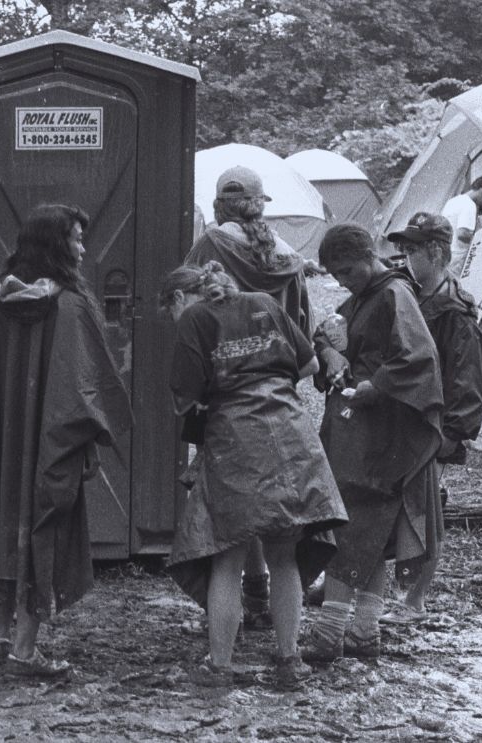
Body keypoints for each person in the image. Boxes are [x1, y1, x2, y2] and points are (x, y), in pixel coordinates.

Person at [0, 203, 132, 678]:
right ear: (56, 246)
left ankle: (0, 635)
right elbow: (87, 387)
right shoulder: (70, 306)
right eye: (76, 239)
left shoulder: (1, 302)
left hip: (5, 441)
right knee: (44, 527)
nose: (83, 249)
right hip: (49, 442)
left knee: (6, 518)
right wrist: (87, 436)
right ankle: (25, 650)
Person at [161, 262, 346, 689]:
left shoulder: (195, 318)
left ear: (179, 298)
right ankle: (288, 662)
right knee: (283, 554)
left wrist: (219, 395)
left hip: (234, 440)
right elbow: (310, 366)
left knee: (228, 557)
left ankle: (220, 667)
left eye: (170, 310)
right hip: (288, 432)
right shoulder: (265, 302)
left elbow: (186, 395)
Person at [302, 224, 443, 663]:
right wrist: (329, 352)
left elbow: (418, 358)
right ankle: (364, 631)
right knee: (374, 530)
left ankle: (328, 634)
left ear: (369, 256)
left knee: (349, 521)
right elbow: (329, 332)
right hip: (359, 426)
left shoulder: (392, 294)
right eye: (335, 275)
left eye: (347, 270)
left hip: (377, 433)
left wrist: (375, 388)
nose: (343, 281)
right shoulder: (366, 294)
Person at [185, 165, 313, 629]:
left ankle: (245, 598)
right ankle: (269, 612)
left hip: (223, 392)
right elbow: (305, 323)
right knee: (273, 499)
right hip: (278, 389)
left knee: (232, 504)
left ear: (219, 203)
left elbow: (187, 310)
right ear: (261, 204)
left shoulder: (210, 247)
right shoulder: (285, 255)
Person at [383, 213, 482, 623]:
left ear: (437, 252)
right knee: (385, 503)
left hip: (434, 428)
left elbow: (469, 376)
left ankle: (414, 600)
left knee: (425, 512)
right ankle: (360, 580)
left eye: (413, 250)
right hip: (401, 421)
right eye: (404, 250)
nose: (406, 258)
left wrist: (451, 435)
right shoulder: (408, 293)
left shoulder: (454, 311)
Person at [440, 176, 482, 277]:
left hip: (444, 256)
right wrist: (480, 239)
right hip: (456, 261)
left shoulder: (453, 201)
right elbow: (462, 234)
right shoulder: (469, 205)